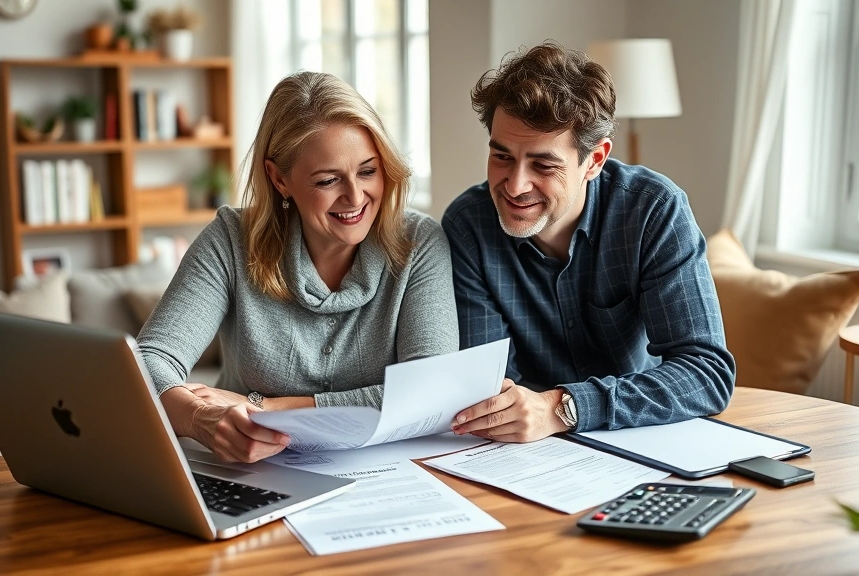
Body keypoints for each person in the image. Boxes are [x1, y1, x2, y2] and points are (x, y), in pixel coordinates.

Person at [138, 71, 458, 463]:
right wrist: (201, 418)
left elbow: (430, 390)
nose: (356, 197)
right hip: (252, 470)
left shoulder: (419, 243)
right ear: (279, 178)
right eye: (328, 180)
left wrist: (268, 407)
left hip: (386, 472)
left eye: (368, 171)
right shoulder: (230, 239)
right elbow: (149, 362)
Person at [444, 41, 735, 443]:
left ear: (594, 161)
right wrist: (530, 413)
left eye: (543, 164)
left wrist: (563, 407)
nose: (515, 185)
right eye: (502, 156)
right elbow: (490, 387)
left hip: (640, 432)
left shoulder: (653, 211)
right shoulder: (468, 225)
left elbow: (706, 375)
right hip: (524, 450)